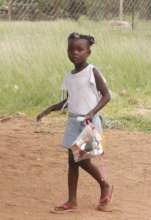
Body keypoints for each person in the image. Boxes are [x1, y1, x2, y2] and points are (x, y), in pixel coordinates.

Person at [36, 32, 113, 212]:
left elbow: (107, 95)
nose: (75, 53)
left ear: (88, 52)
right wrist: (48, 109)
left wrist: (92, 112)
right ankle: (72, 201)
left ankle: (105, 185)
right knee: (72, 162)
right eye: (71, 49)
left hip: (89, 122)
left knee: (83, 161)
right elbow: (69, 101)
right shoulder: (69, 76)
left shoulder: (92, 71)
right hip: (73, 122)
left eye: (80, 49)